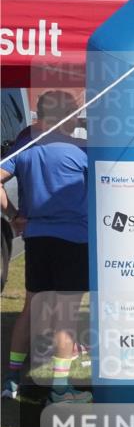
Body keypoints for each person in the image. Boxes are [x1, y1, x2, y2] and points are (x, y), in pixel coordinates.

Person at [0, 91, 91, 403]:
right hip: (74, 239)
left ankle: (11, 379)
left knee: (31, 309)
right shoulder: (84, 151)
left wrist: (13, 215)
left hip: (36, 238)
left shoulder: (25, 148)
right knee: (66, 315)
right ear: (68, 116)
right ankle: (59, 388)